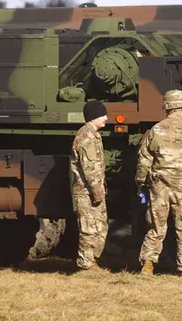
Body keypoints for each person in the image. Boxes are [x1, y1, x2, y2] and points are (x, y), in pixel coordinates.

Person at [136, 90, 182, 276]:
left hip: (159, 186)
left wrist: (140, 182)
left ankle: (148, 264)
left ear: (167, 107)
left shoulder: (156, 129)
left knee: (156, 226)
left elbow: (144, 159)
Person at [69, 100, 109, 272]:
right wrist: (97, 192)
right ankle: (85, 266)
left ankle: (92, 262)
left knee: (100, 227)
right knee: (89, 229)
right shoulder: (86, 136)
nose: (106, 118)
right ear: (94, 117)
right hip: (87, 193)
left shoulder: (92, 135)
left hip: (93, 191)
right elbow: (90, 169)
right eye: (103, 115)